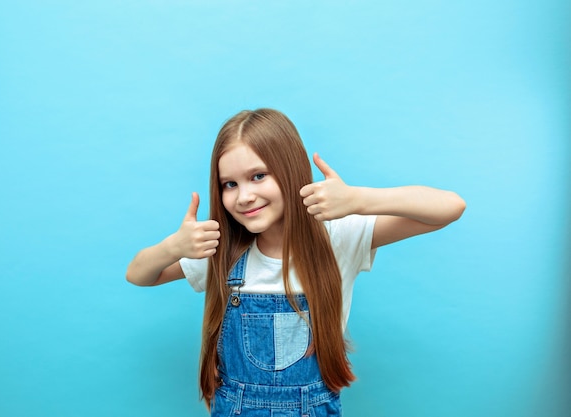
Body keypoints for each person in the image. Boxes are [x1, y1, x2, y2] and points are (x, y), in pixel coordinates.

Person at [126, 108, 466, 416]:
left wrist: (359, 200)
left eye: (258, 176)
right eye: (230, 184)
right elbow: (139, 275)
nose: (244, 196)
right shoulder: (223, 251)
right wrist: (173, 246)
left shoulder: (338, 236)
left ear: (290, 171)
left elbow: (450, 207)